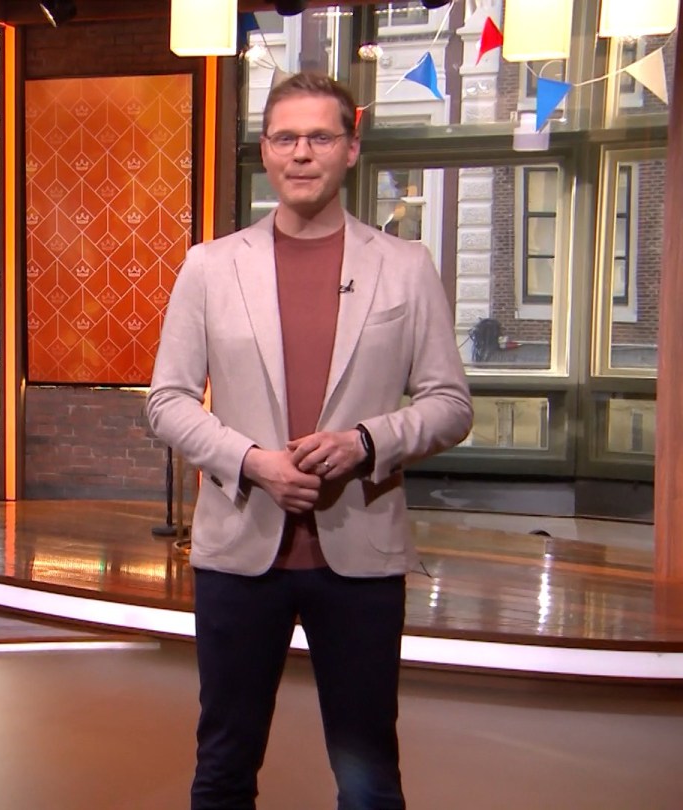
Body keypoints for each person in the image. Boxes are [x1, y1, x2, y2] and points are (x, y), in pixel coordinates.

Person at [146, 73, 472, 810]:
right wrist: (251, 462)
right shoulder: (210, 266)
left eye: (320, 137)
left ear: (351, 148)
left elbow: (451, 406)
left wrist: (366, 442)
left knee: (368, 775)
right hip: (240, 555)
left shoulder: (406, 268)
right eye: (286, 138)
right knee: (223, 766)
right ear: (265, 151)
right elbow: (166, 403)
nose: (302, 153)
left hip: (360, 556)